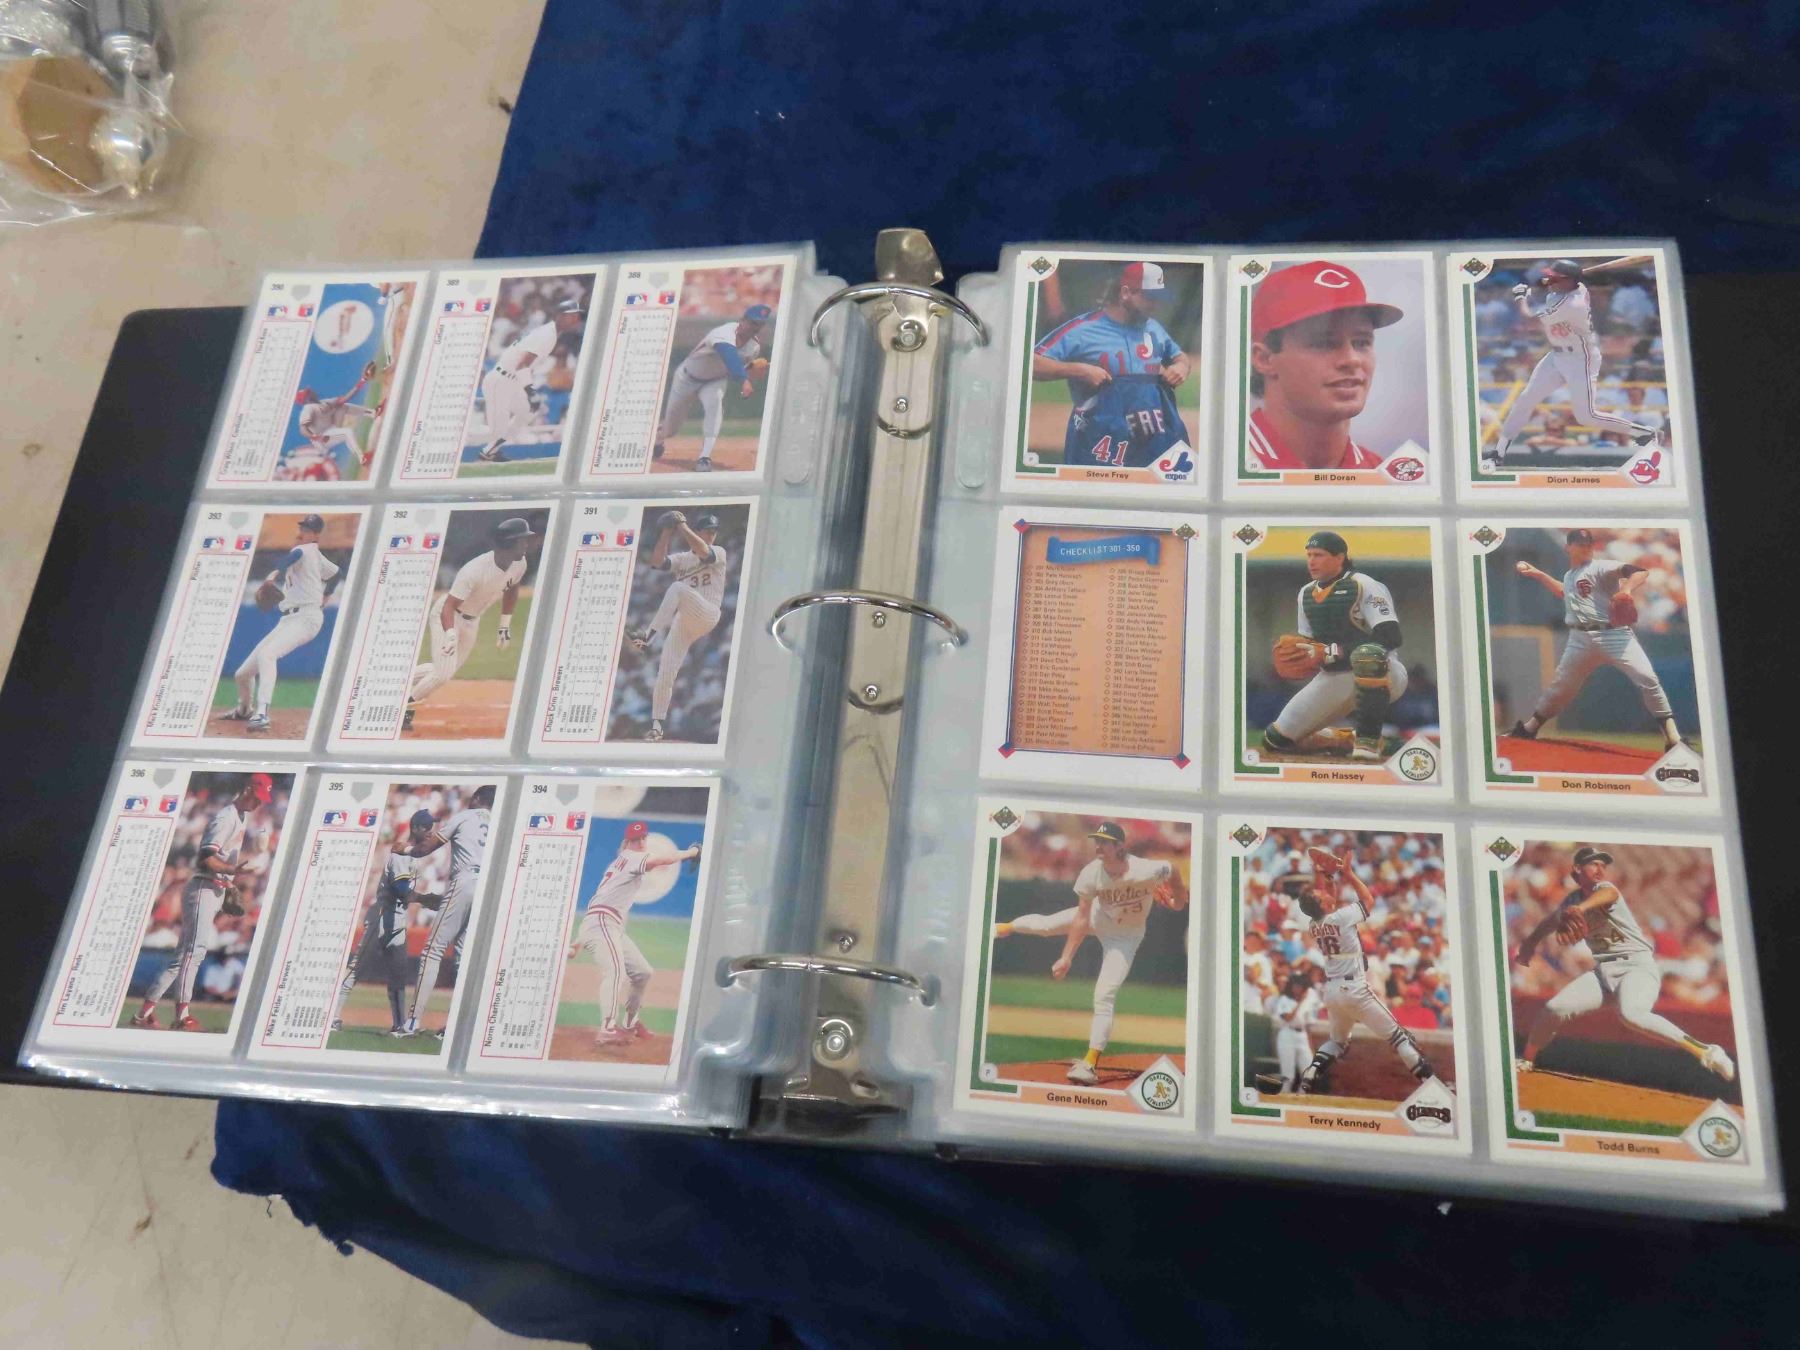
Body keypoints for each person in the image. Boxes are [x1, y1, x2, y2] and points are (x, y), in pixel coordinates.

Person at [1512, 846, 1734, 1081]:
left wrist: (1579, 909)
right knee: (1554, 1008)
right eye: (1589, 867)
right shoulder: (1571, 901)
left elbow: (1606, 896)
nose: (1595, 872)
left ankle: (1706, 1052)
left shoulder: (1605, 890)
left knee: (1631, 1014)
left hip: (1637, 968)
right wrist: (1530, 944)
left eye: (1598, 867)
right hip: (1604, 973)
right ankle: (1527, 1059)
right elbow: (1549, 922)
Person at [991, 822, 1187, 1086]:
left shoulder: (1146, 869)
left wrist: (1177, 899)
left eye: (1105, 841)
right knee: (1047, 925)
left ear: (1119, 846)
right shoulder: (1091, 873)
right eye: (1097, 841)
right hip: (1097, 917)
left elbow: (1173, 869)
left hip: (1125, 938)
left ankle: (1090, 1063)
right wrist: (1067, 957)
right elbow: (1082, 918)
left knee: (1104, 994)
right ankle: (1003, 928)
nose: (1098, 846)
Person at [1508, 529, 1686, 752]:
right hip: (1580, 639)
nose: (1586, 547)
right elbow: (1564, 592)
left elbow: (1640, 572)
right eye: (1580, 544)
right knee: (1561, 689)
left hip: (1615, 636)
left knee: (1648, 678)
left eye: (1588, 544)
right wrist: (1539, 574)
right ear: (1568, 548)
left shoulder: (1602, 566)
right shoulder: (1570, 575)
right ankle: (1530, 728)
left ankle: (1673, 738)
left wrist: (1627, 589)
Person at [1485, 260, 1661, 469]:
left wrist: (1521, 297)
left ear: (1568, 281)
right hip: (1556, 355)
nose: (1549, 280)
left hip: (1581, 360)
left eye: (1555, 277)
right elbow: (1547, 285)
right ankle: (1499, 452)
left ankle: (1643, 432)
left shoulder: (1573, 304)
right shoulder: (1566, 288)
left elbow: (1529, 321)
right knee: (1525, 400)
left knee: (1586, 417)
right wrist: (1540, 285)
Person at [131, 774, 273, 1031]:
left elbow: (223, 859)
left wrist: (230, 881)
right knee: (194, 953)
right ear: (248, 789)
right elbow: (205, 857)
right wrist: (232, 870)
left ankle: (143, 1014)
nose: (259, 803)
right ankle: (182, 1016)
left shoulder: (241, 816)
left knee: (181, 958)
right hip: (203, 887)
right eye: (257, 797)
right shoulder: (226, 817)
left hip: (215, 888)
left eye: (263, 799)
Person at [1294, 849, 1440, 1094]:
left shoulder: (1314, 924)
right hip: (1354, 988)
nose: (1325, 893)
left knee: (1337, 1042)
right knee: (1399, 1037)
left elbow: (1329, 901)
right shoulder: (1340, 918)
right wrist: (1349, 874)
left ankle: (1312, 1071)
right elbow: (1368, 900)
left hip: (1332, 991)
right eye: (1321, 895)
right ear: (1321, 903)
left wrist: (1326, 877)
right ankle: (1432, 1085)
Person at [1029, 261, 1193, 471]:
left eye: (1158, 298)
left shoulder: (1153, 327)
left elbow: (1180, 357)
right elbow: (1032, 363)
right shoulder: (1084, 329)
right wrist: (1079, 370)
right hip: (1103, 442)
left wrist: (1181, 367)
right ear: (1125, 293)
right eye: (1149, 297)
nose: (1155, 305)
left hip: (1157, 438)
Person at [1264, 529, 1409, 762]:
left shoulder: (1363, 584)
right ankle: (1346, 740)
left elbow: (1391, 636)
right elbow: (1311, 644)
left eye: (1319, 555)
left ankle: (1368, 741)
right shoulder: (1306, 593)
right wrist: (1300, 653)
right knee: (1275, 740)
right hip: (1334, 677)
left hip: (1383, 671)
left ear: (1340, 557)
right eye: (1309, 555)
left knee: (1367, 655)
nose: (1311, 561)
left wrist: (1333, 651)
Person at [1246, 260, 1403, 471]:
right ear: (1264, 359)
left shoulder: (1383, 475)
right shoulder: (1223, 461)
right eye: (1324, 343)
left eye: (1361, 343)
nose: (1352, 359)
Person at [567, 821, 700, 1048]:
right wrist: (693, 852)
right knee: (615, 972)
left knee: (643, 972)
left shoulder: (619, 863)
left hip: (606, 924)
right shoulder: (632, 857)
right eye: (636, 839)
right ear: (628, 842)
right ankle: (607, 1028)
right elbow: (664, 860)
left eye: (643, 838)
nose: (640, 842)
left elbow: (602, 899)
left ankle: (630, 1023)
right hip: (602, 923)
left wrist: (578, 941)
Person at [405, 517, 535, 731]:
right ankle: (404, 708)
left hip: (472, 621)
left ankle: (397, 680)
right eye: (522, 540)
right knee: (442, 674)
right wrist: (450, 633)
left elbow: (512, 589)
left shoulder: (520, 564)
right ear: (509, 543)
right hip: (447, 615)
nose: (527, 544)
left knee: (445, 669)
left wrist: (504, 624)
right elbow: (449, 606)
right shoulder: (474, 570)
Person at [221, 513, 340, 733]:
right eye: (302, 528)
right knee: (242, 674)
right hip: (289, 620)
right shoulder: (317, 557)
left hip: (306, 619)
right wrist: (327, 594)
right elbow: (335, 574)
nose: (302, 532)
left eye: (307, 529)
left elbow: (287, 560)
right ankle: (244, 709)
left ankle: (262, 713)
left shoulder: (304, 550)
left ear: (316, 534)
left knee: (268, 655)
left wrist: (272, 576)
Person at [394, 785, 496, 1037]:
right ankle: (456, 1027)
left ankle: (412, 1022)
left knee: (433, 949)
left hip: (465, 880)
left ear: (477, 799)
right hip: (489, 888)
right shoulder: (499, 823)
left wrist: (404, 849)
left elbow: (424, 850)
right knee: (463, 957)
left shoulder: (464, 816)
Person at [625, 510, 728, 743]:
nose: (711, 535)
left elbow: (704, 552)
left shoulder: (720, 552)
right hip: (685, 620)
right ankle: (656, 727)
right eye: (707, 531)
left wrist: (681, 526)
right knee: (665, 672)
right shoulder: (683, 558)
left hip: (708, 612)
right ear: (699, 531)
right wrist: (666, 532)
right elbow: (657, 562)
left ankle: (647, 637)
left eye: (713, 531)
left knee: (677, 588)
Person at [329, 811, 433, 1036]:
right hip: (382, 918)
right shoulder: (400, 853)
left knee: (399, 973)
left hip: (398, 920)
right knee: (357, 967)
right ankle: (330, 1015)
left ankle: (399, 1025)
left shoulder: (413, 855)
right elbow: (401, 890)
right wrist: (425, 899)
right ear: (416, 828)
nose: (430, 833)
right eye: (427, 828)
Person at [653, 303, 773, 472]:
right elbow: (729, 355)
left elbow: (732, 369)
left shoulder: (753, 347)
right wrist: (744, 379)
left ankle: (705, 457)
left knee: (715, 404)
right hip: (687, 378)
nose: (755, 327)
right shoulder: (723, 333)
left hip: (714, 381)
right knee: (671, 428)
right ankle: (659, 438)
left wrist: (749, 369)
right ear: (743, 320)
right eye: (753, 322)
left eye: (759, 324)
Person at [473, 299, 585, 463]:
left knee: (528, 411)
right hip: (500, 380)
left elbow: (526, 366)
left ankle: (489, 451)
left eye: (577, 316)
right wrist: (530, 390)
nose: (576, 319)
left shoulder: (550, 332)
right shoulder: (547, 334)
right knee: (496, 431)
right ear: (559, 316)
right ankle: (461, 437)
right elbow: (522, 364)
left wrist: (526, 390)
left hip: (511, 380)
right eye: (571, 315)